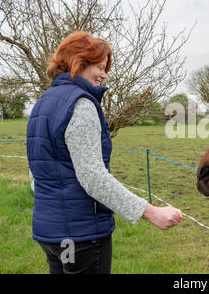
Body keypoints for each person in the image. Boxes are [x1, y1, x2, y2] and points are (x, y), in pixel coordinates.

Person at [27, 31, 183, 274]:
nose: (104, 74)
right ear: (78, 63)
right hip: (81, 236)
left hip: (50, 234)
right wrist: (152, 213)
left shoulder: (43, 103)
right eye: (99, 66)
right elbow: (93, 177)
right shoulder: (81, 104)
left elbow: (35, 173)